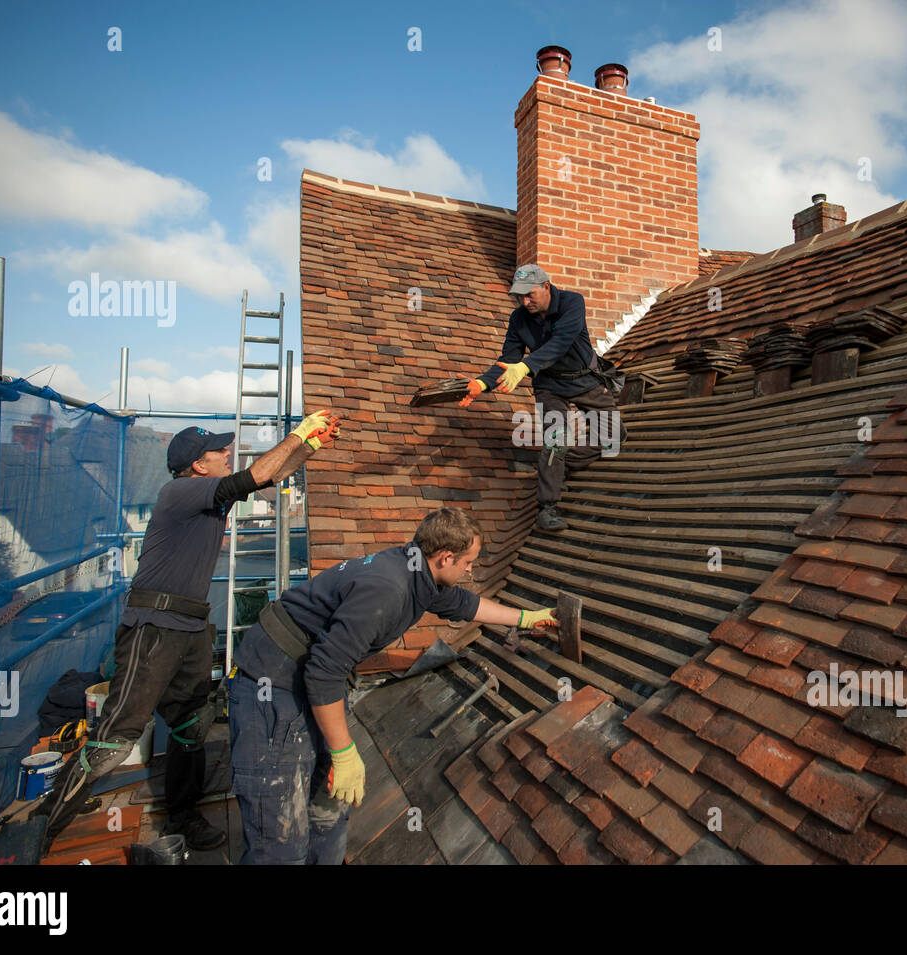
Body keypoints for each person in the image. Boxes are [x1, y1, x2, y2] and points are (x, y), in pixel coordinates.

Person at [38, 410, 341, 852]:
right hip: (153, 628)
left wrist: (308, 447)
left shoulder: (208, 495)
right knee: (116, 737)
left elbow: (270, 476)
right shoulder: (181, 492)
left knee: (189, 727)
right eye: (220, 452)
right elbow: (256, 474)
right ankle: (42, 827)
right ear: (199, 465)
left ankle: (184, 815)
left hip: (190, 628)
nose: (227, 456)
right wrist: (296, 433)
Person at [228, 506, 557, 865]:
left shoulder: (417, 570)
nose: (470, 570)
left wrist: (528, 618)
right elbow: (324, 671)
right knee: (279, 841)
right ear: (445, 557)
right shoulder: (389, 588)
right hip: (274, 687)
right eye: (467, 562)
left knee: (329, 813)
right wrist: (342, 750)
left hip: (308, 681)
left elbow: (464, 604)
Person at [459, 264, 625, 532]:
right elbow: (508, 360)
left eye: (529, 295)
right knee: (556, 439)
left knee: (614, 438)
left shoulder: (573, 303)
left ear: (546, 287)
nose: (524, 302)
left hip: (583, 378)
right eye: (519, 296)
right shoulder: (519, 319)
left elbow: (560, 343)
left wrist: (524, 367)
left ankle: (561, 463)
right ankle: (547, 508)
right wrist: (481, 384)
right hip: (549, 384)